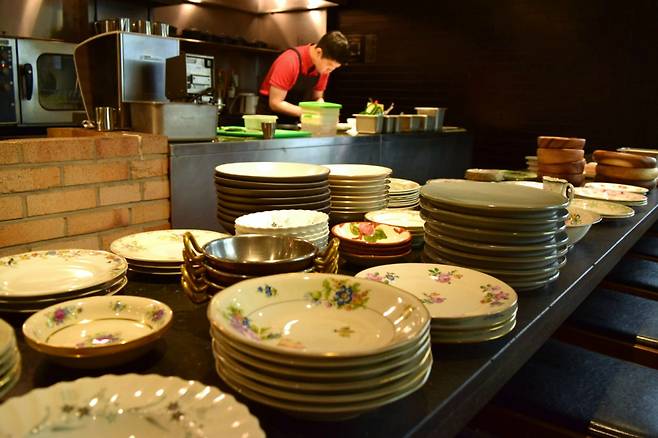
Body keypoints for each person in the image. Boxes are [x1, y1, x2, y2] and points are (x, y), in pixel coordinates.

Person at [258, 31, 350, 121]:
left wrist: (325, 112)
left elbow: (317, 98)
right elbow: (275, 103)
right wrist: (311, 113)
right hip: (270, 120)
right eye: (329, 66)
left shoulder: (323, 69)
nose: (329, 71)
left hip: (295, 120)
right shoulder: (290, 61)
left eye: (334, 68)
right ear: (319, 52)